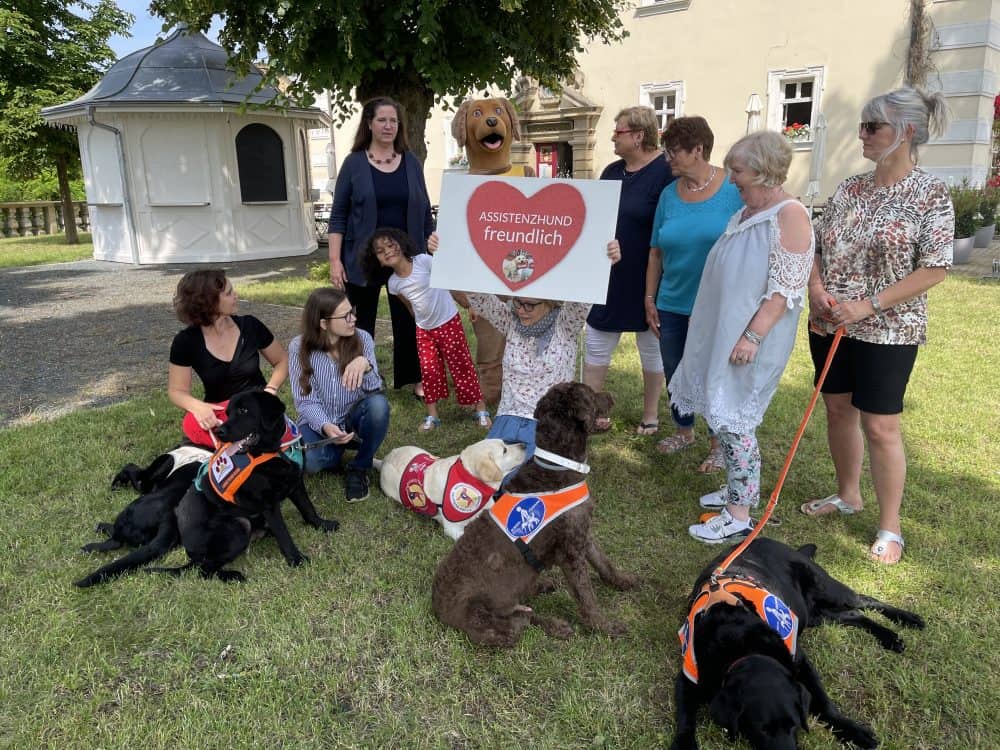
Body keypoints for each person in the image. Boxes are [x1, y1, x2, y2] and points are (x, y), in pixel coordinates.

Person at [803, 87, 953, 564]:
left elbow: (934, 268)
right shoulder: (849, 188)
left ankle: (891, 527)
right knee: (837, 410)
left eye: (873, 127)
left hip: (889, 329)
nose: (862, 134)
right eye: (863, 126)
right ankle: (848, 494)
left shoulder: (931, 194)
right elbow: (817, 248)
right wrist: (816, 288)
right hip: (829, 324)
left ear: (905, 132)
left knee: (881, 426)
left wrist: (868, 306)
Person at [669, 130, 813, 544]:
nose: (732, 179)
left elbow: (785, 290)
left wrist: (751, 336)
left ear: (765, 171)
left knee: (735, 420)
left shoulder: (790, 215)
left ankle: (740, 512)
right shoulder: (747, 214)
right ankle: (735, 488)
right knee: (719, 409)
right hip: (724, 333)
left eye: (738, 170)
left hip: (750, 342)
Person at [645, 116, 743, 472]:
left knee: (713, 375)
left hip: (718, 306)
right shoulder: (669, 196)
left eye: (673, 152)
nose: (667, 159)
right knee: (676, 372)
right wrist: (649, 298)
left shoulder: (734, 190)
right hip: (672, 302)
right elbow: (655, 251)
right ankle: (684, 431)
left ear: (698, 149)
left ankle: (718, 444)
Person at [462, 242, 622, 457]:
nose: (522, 311)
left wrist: (605, 261)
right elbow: (479, 298)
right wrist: (447, 254)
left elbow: (585, 294)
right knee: (489, 476)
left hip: (550, 423)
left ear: (550, 303)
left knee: (531, 479)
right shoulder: (510, 322)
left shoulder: (566, 325)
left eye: (530, 305)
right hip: (509, 418)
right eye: (518, 303)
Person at [327, 96, 434, 395]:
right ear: (370, 124)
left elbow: (425, 211)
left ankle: (417, 379)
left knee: (411, 318)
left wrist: (429, 250)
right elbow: (338, 215)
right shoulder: (354, 163)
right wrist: (335, 261)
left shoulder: (411, 162)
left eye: (393, 121)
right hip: (363, 259)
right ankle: (360, 375)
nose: (388, 126)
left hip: (407, 257)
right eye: (382, 120)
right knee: (359, 321)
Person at [584, 106, 674, 436]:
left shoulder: (667, 173)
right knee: (596, 340)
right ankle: (588, 414)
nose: (612, 136)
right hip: (610, 277)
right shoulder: (611, 171)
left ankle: (650, 414)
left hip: (650, 276)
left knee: (650, 346)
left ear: (638, 135)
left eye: (618, 131)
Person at [361, 226, 490, 433]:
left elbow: (451, 285)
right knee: (429, 372)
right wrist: (422, 326)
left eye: (390, 244)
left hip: (449, 323)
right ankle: (432, 415)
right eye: (380, 250)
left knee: (461, 366)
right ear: (377, 259)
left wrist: (469, 305)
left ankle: (480, 408)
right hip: (424, 331)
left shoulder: (424, 261)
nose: (387, 251)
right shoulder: (393, 284)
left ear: (401, 245)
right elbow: (410, 307)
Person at [288, 288, 390, 503]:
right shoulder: (298, 347)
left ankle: (359, 467)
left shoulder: (363, 339)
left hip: (353, 417)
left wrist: (366, 365)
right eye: (345, 316)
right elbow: (305, 401)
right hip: (319, 423)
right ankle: (338, 450)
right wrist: (325, 426)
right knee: (313, 464)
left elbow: (375, 391)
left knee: (379, 406)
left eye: (351, 311)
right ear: (323, 324)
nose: (353, 318)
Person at [168, 269, 288, 447]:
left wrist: (270, 390)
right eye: (229, 293)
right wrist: (198, 407)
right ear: (209, 301)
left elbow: (282, 360)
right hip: (221, 413)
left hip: (256, 409)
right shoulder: (186, 341)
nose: (236, 295)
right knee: (191, 428)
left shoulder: (250, 326)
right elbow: (177, 392)